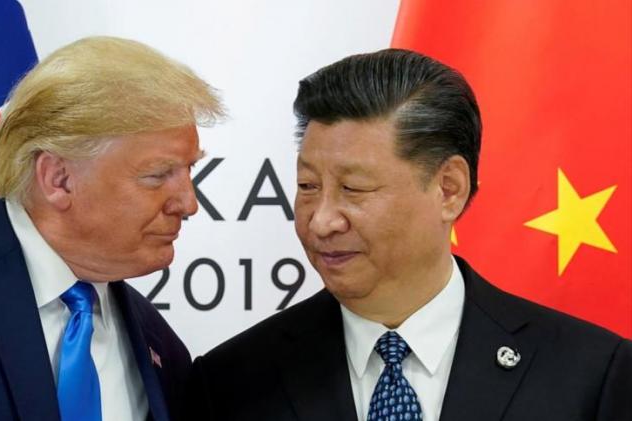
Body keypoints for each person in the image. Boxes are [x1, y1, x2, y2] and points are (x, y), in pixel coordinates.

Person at [185, 49, 631, 421]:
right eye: (307, 187)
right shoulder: (231, 383)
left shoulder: (591, 375)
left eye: (353, 189)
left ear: (448, 189)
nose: (321, 221)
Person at [0, 36, 223, 421]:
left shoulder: (162, 347)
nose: (188, 204)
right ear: (59, 179)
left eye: (190, 171)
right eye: (157, 176)